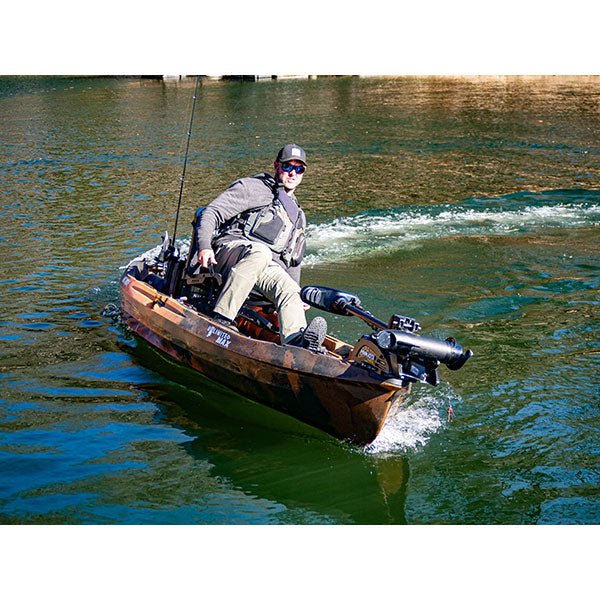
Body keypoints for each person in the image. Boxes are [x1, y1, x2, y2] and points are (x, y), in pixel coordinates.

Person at [193, 144, 327, 350]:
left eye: (299, 169)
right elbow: (212, 212)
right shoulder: (252, 188)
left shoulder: (298, 215)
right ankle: (222, 319)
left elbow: (293, 259)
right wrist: (204, 246)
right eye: (287, 166)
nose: (292, 173)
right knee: (260, 252)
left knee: (289, 288)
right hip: (228, 253)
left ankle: (297, 343)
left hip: (262, 266)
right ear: (276, 166)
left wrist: (297, 295)